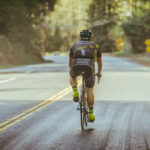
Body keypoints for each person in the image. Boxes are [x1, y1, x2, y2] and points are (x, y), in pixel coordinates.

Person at [69, 30, 102, 122]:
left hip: (76, 65)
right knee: (90, 90)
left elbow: (70, 62)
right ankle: (91, 114)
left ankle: (75, 90)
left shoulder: (74, 45)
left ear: (80, 37)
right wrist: (99, 72)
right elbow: (99, 62)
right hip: (89, 67)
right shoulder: (95, 46)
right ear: (90, 37)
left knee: (72, 76)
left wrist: (72, 71)